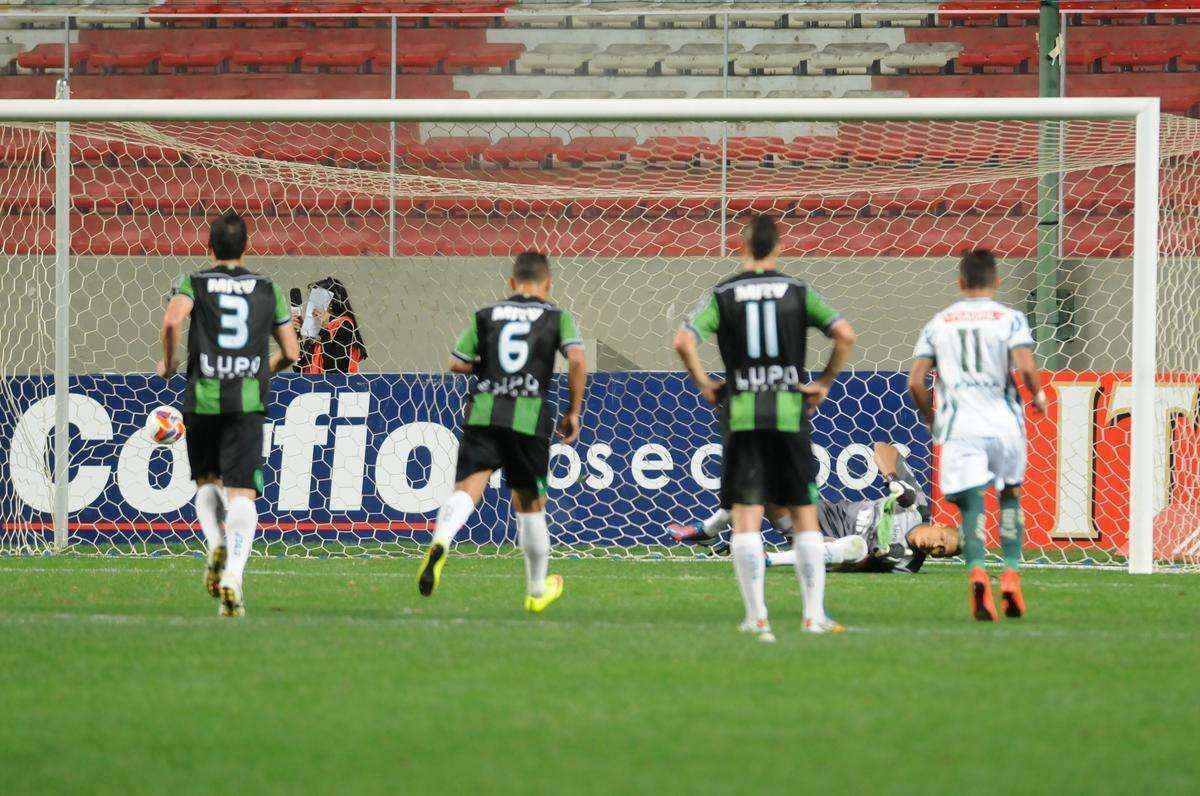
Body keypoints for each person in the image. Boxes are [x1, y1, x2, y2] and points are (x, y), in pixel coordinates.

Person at [672, 214, 857, 641]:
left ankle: (757, 618)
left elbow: (683, 341)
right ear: (777, 247)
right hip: (790, 412)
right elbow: (845, 334)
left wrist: (705, 384)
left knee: (747, 516)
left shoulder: (722, 294)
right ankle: (814, 616)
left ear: (742, 247)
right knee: (804, 513)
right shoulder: (799, 291)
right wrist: (824, 382)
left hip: (741, 414)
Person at [417, 251, 587, 613]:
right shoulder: (556, 316)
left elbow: (457, 364)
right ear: (547, 284)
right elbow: (576, 359)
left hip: (484, 410)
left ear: (512, 283)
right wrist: (573, 410)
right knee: (529, 504)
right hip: (528, 416)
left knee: (468, 487)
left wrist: (488, 367)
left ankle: (442, 539)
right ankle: (537, 589)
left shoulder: (486, 315)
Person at [156, 211, 300, 617]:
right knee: (243, 494)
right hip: (246, 403)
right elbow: (292, 352)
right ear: (247, 247)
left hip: (202, 399)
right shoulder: (267, 288)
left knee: (207, 482)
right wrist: (259, 370)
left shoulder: (195, 281)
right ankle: (233, 576)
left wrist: (169, 363)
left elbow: (171, 321)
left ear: (209, 246)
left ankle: (214, 544)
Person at [908, 248, 1046, 621]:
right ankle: (1012, 575)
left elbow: (916, 381)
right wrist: (1039, 395)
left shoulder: (940, 322)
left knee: (971, 505)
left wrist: (930, 417)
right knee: (1010, 497)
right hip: (1004, 423)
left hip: (961, 427)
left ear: (960, 282)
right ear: (996, 281)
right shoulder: (1011, 319)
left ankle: (978, 573)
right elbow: (1025, 365)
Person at [669, 443, 960, 574]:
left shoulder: (907, 564)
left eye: (939, 552)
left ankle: (766, 560)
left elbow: (857, 566)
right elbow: (883, 448)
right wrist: (895, 480)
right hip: (819, 514)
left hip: (830, 548)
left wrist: (876, 559)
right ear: (940, 526)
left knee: (857, 545)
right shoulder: (916, 504)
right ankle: (708, 530)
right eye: (942, 540)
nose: (934, 546)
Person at [297, 277, 368, 375]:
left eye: (317, 300)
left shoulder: (344, 325)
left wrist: (323, 331)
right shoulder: (317, 328)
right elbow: (299, 367)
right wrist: (298, 337)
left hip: (336, 386)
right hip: (312, 385)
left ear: (331, 302)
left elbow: (336, 368)